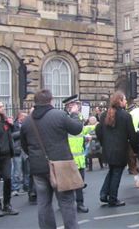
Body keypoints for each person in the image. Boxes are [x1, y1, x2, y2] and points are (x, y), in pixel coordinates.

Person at [20, 89, 83, 228]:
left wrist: (35, 156)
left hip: (38, 167)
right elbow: (77, 128)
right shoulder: (59, 115)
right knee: (66, 202)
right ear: (50, 100)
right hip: (60, 165)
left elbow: (24, 145)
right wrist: (74, 113)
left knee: (43, 203)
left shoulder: (27, 121)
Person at [96, 91, 139, 207]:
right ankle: (113, 199)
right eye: (124, 99)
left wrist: (103, 143)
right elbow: (132, 135)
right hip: (120, 150)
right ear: (120, 101)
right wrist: (136, 149)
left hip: (107, 149)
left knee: (112, 171)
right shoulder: (126, 116)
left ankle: (104, 194)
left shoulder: (104, 115)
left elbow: (98, 131)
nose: (126, 101)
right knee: (116, 174)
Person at [63, 95, 95, 213]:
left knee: (80, 183)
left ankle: (80, 203)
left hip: (79, 157)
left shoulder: (79, 117)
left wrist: (87, 134)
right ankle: (67, 204)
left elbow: (79, 131)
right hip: (68, 157)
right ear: (70, 106)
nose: (79, 106)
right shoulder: (65, 118)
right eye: (76, 104)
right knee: (68, 184)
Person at [11, 112, 27, 196]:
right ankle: (15, 188)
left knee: (26, 170)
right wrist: (21, 132)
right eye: (25, 116)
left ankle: (26, 187)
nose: (26, 118)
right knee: (17, 171)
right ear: (20, 117)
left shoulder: (26, 125)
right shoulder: (14, 125)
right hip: (17, 150)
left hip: (25, 150)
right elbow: (11, 136)